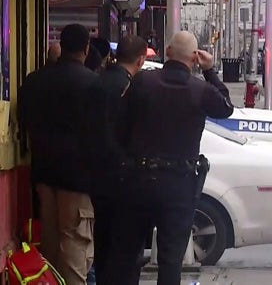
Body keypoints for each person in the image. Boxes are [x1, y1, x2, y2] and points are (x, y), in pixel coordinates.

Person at [106, 31, 233, 284]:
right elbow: (226, 107)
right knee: (171, 260)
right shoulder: (201, 90)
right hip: (179, 185)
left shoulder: (142, 82)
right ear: (195, 57)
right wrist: (209, 71)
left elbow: (120, 124)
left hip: (139, 180)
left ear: (168, 50)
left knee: (128, 255)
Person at [18, 24, 97, 285]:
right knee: (75, 243)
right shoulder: (92, 84)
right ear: (86, 48)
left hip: (42, 172)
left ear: (61, 46)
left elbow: (24, 121)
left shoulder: (34, 81)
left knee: (49, 245)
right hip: (77, 178)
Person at [86, 36, 148, 285]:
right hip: (124, 179)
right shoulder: (131, 88)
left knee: (103, 246)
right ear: (141, 59)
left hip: (96, 177)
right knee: (125, 252)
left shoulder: (96, 83)